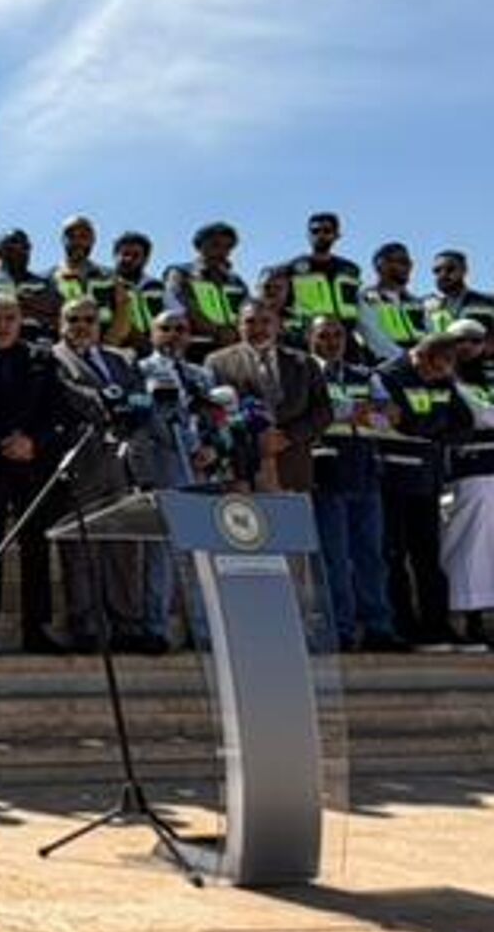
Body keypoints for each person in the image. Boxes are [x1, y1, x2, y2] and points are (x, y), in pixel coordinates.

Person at [0, 292, 77, 653]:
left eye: (9, 317)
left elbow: (58, 412)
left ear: (20, 320)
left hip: (33, 467)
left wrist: (33, 442)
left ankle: (36, 629)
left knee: (36, 548)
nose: (3, 325)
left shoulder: (41, 358)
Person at [51, 296, 146, 650]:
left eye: (89, 320)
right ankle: (86, 624)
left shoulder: (119, 359)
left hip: (121, 461)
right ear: (61, 323)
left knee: (124, 547)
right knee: (81, 548)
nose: (81, 326)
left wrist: (130, 410)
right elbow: (72, 394)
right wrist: (109, 404)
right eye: (73, 319)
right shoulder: (53, 358)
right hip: (81, 461)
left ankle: (127, 624)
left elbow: (139, 398)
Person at [307, 313, 399, 651]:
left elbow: (390, 417)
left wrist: (353, 412)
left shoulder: (365, 374)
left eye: (337, 336)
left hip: (364, 471)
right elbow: (315, 414)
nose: (331, 342)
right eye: (323, 335)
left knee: (371, 556)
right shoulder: (305, 372)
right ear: (310, 339)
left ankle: (378, 627)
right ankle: (340, 629)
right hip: (326, 473)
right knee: (334, 557)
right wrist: (353, 411)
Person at [376, 331, 470, 646]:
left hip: (427, 480)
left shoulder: (443, 378)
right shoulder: (388, 376)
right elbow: (401, 423)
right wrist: (433, 427)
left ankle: (437, 626)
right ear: (421, 356)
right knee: (394, 557)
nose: (439, 375)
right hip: (393, 480)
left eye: (446, 369)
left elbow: (464, 423)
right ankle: (404, 626)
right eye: (436, 368)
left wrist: (431, 431)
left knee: (429, 557)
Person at [134, 311, 216, 647]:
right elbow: (140, 423)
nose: (173, 334)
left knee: (200, 555)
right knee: (161, 556)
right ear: (152, 334)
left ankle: (201, 630)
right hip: (162, 468)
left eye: (180, 329)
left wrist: (211, 446)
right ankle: (156, 627)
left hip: (200, 473)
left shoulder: (202, 374)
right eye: (164, 328)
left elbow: (216, 417)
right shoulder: (139, 370)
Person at [206, 300, 331, 494]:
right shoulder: (217, 363)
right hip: (242, 475)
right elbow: (212, 416)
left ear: (278, 325)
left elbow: (323, 412)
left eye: (265, 321)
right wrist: (252, 442)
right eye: (250, 322)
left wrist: (288, 437)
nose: (258, 329)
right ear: (238, 325)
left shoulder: (304, 363)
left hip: (294, 468)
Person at [441, 319, 494, 640]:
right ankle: (468, 616)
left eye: (475, 341)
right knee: (467, 545)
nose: (468, 347)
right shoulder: (445, 381)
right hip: (467, 473)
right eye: (460, 340)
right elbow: (481, 416)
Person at [164, 222, 249, 361]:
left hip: (232, 349)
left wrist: (235, 332)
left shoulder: (236, 281)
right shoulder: (181, 274)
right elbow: (181, 307)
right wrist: (217, 331)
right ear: (199, 246)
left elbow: (247, 310)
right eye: (215, 245)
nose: (222, 252)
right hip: (195, 350)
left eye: (228, 247)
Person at [284, 212, 363, 348]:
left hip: (345, 341)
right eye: (315, 231)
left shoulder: (351, 269)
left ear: (337, 235)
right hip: (305, 341)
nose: (320, 235)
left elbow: (356, 305)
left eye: (326, 231)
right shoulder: (292, 268)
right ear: (308, 235)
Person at [358, 242, 430, 363]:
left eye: (409, 263)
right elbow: (375, 339)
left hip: (422, 367)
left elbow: (430, 335)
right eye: (401, 261)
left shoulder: (417, 303)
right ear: (381, 266)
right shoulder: (366, 298)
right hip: (385, 368)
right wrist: (409, 361)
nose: (408, 267)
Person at [48, 215, 121, 332]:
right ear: (62, 239)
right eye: (71, 236)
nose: (77, 242)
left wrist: (111, 340)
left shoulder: (111, 277)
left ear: (93, 240)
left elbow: (123, 312)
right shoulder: (47, 278)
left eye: (84, 236)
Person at [0, 229, 57, 340]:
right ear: (0, 252)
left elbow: (58, 317)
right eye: (11, 248)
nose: (19, 253)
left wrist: (31, 311)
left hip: (34, 341)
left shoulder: (43, 284)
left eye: (25, 248)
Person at [109, 230, 165, 352]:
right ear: (114, 255)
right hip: (119, 349)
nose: (129, 259)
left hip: (156, 350)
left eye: (135, 255)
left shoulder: (159, 287)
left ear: (146, 259)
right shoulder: (105, 284)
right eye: (125, 254)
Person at [426, 249, 494, 335]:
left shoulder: (488, 303)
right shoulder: (429, 309)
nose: (442, 275)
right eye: (437, 271)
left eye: (450, 269)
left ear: (464, 270)